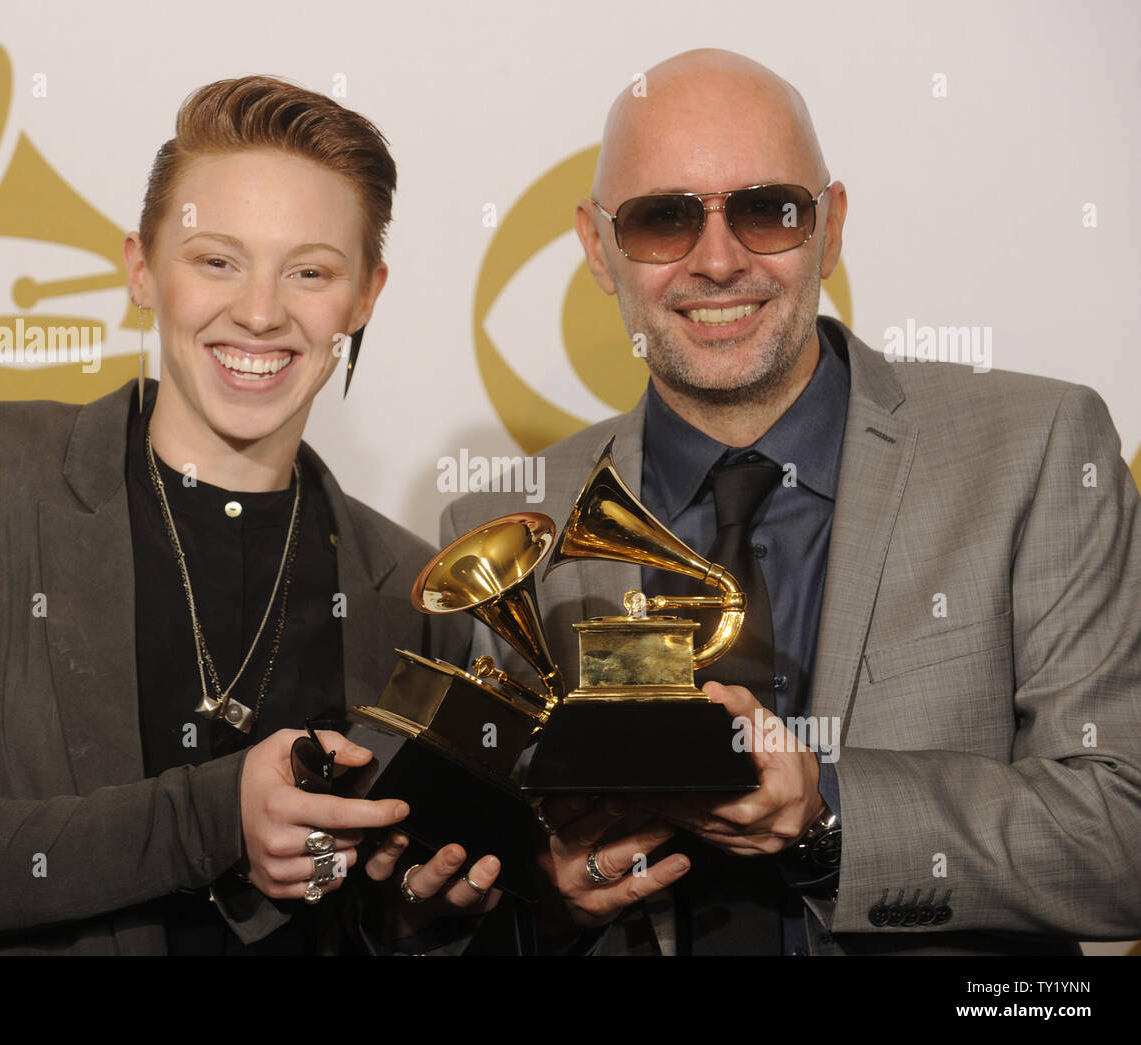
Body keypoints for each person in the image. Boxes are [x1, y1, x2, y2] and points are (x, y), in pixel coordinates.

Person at [442, 49, 1141, 955]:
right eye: (662, 220)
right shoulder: (504, 531)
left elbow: (1122, 830)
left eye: (768, 210)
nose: (720, 260)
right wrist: (553, 898)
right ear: (597, 248)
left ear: (832, 225)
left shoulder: (1035, 448)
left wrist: (827, 812)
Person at [0, 75, 500, 955]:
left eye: (310, 270)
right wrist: (210, 817)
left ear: (366, 296)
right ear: (142, 267)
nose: (261, 312)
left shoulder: (418, 592)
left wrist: (415, 916)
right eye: (217, 259)